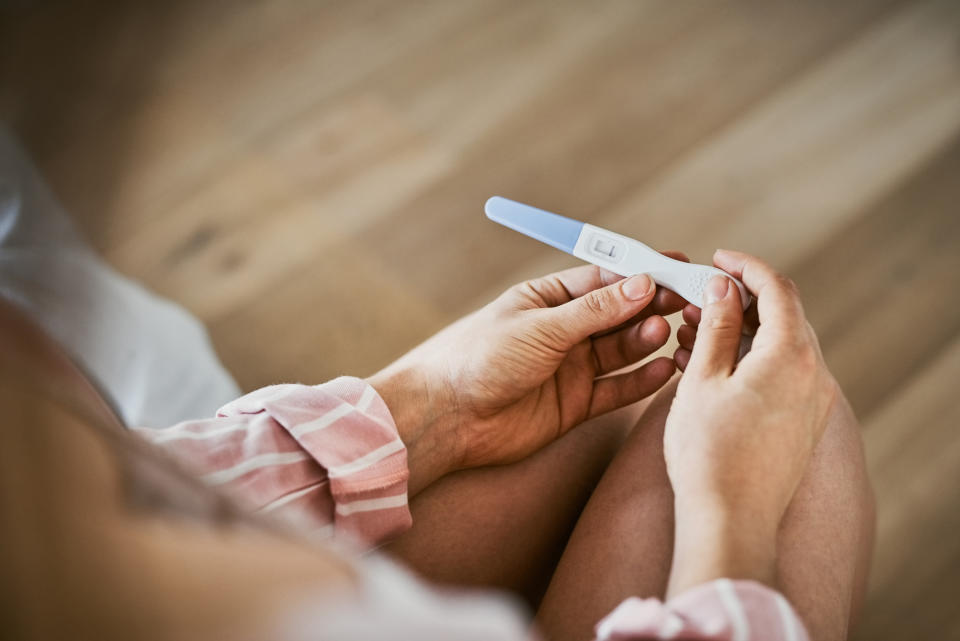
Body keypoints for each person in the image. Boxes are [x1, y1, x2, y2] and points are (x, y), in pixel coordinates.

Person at [0, 127, 874, 640]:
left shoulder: (66, 521)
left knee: (614, 421)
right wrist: (733, 514)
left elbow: (157, 490)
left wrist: (427, 407)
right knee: (801, 446)